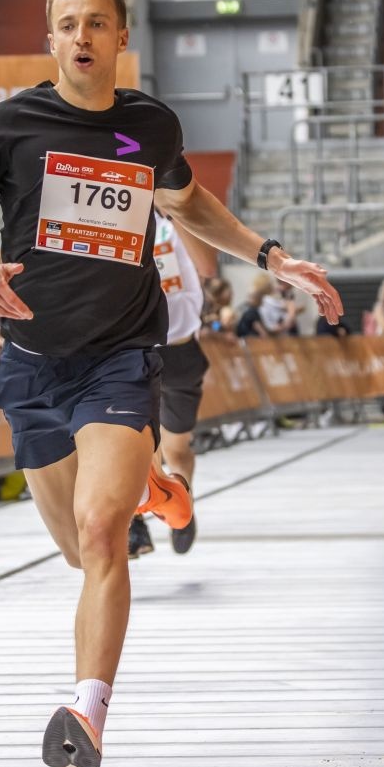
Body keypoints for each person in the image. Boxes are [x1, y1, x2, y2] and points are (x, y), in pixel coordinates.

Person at [0, 0, 340, 767]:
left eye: (98, 23)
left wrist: (271, 257)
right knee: (78, 549)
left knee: (103, 533)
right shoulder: (11, 125)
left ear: (120, 38)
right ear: (52, 39)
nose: (83, 37)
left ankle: (89, 710)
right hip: (34, 367)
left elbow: (190, 206)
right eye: (68, 23)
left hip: (121, 357)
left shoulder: (149, 126)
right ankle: (155, 482)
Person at [127, 211, 205, 560]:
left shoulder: (168, 232)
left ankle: (179, 498)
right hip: (143, 351)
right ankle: (136, 518)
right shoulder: (116, 227)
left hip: (173, 351)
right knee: (131, 448)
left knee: (174, 450)